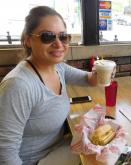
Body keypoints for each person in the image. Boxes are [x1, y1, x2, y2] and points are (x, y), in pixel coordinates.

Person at [0, 6, 97, 165]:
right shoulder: (18, 85)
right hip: (34, 160)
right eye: (47, 36)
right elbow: (5, 152)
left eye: (63, 36)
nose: (59, 44)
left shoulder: (58, 67)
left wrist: (103, 70)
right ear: (28, 40)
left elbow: (89, 80)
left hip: (59, 146)